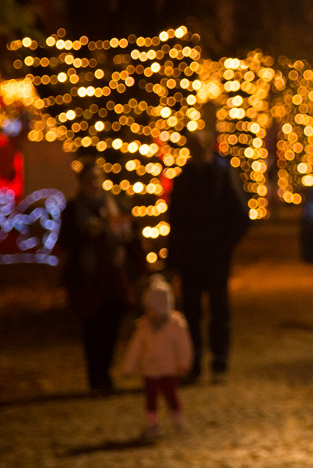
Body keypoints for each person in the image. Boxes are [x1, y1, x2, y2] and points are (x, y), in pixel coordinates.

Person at [166, 130, 250, 382]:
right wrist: (174, 256)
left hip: (215, 257)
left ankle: (219, 360)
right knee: (191, 312)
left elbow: (240, 217)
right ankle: (194, 361)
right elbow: (176, 220)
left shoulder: (222, 175)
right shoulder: (184, 178)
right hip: (191, 258)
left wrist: (224, 247)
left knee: (218, 311)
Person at [60, 163, 144, 394]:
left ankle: (106, 373)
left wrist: (126, 235)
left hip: (115, 276)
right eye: (89, 179)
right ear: (81, 183)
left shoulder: (116, 205)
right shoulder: (74, 209)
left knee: (112, 326)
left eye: (97, 179)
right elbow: (65, 241)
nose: (94, 184)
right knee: (92, 327)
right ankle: (95, 376)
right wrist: (89, 233)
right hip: (88, 277)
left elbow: (132, 237)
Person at [122, 274, 193, 439]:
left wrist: (184, 363)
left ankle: (178, 420)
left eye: (152, 308)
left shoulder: (175, 326)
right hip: (150, 370)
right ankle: (153, 425)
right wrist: (128, 367)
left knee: (172, 395)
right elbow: (135, 348)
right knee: (151, 399)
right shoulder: (144, 327)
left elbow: (183, 346)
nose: (149, 312)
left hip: (169, 369)